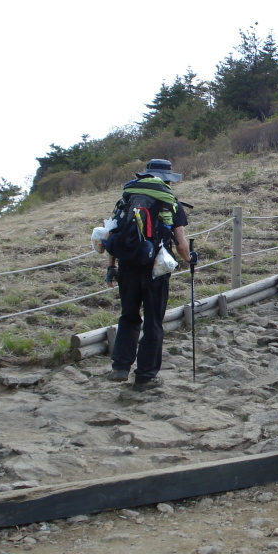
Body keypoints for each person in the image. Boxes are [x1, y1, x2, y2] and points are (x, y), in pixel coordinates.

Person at [103, 159, 196, 391]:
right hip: (157, 268)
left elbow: (111, 235)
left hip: (126, 264)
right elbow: (182, 245)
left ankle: (120, 367)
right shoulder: (170, 202)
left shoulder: (126, 199)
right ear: (167, 179)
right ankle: (145, 376)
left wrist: (111, 266)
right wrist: (190, 259)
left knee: (129, 316)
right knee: (153, 321)